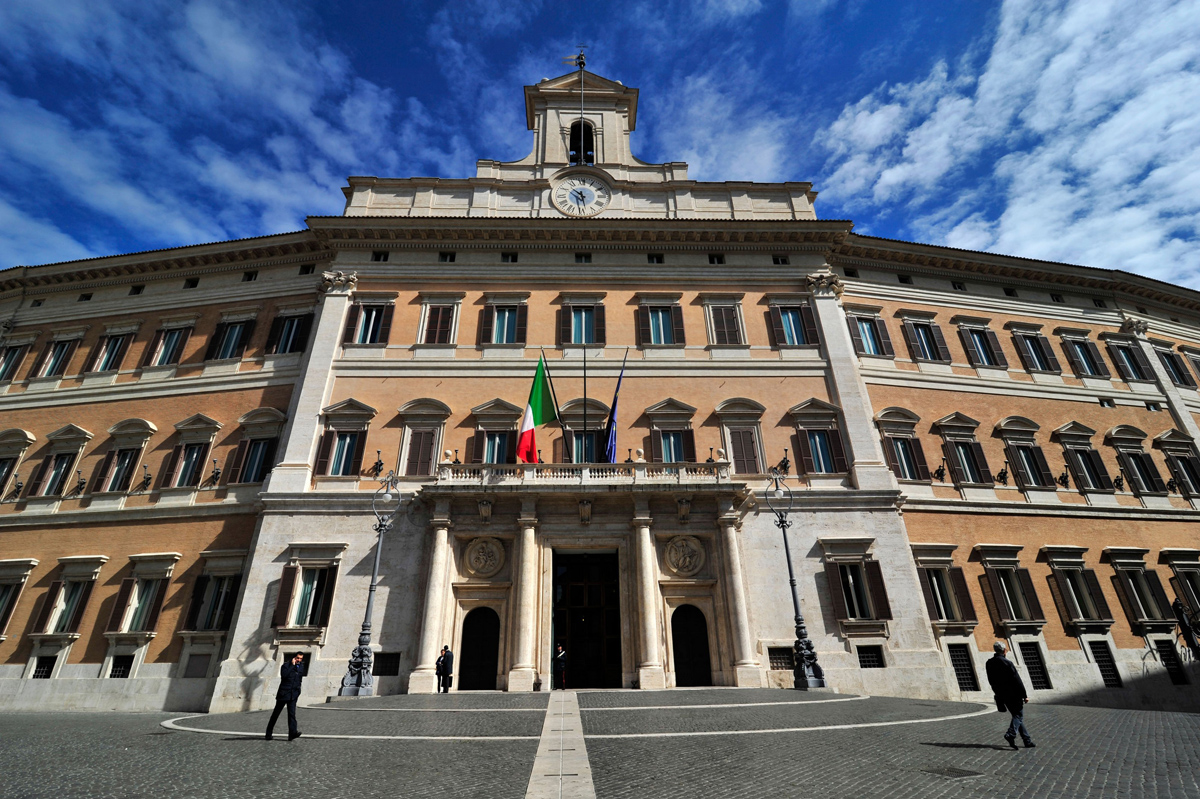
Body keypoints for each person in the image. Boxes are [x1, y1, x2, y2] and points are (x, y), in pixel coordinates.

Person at [985, 641, 1035, 749]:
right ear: (1004, 650)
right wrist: (1024, 695)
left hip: (1002, 694)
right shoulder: (1007, 663)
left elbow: (991, 680)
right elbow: (1017, 680)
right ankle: (1011, 734)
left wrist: (997, 692)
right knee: (1018, 716)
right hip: (1013, 694)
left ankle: (1027, 740)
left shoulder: (989, 663)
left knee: (1016, 717)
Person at [265, 653, 305, 741]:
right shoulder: (285, 666)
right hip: (283, 694)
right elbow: (284, 675)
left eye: (300, 658)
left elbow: (299, 680)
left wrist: (298, 691)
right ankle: (268, 734)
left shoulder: (301, 667)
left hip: (293, 695)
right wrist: (292, 665)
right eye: (297, 658)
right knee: (275, 714)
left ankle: (292, 733)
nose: (299, 660)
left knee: (292, 715)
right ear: (294, 657)